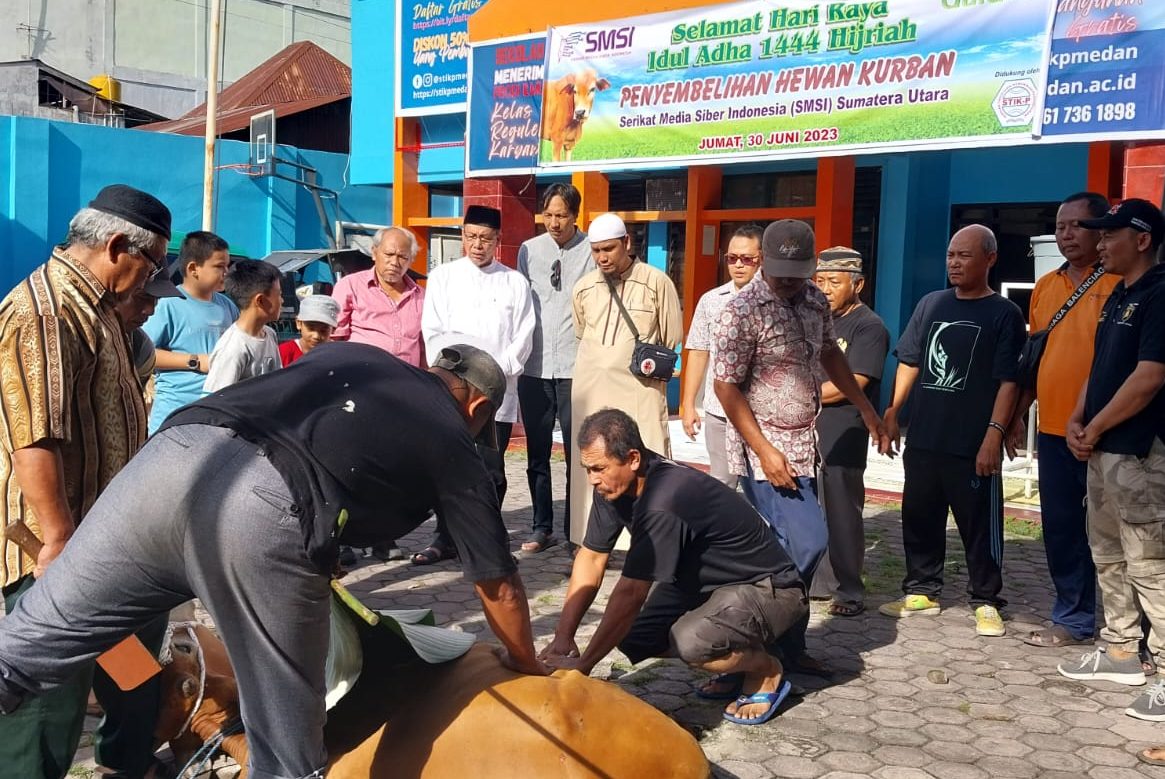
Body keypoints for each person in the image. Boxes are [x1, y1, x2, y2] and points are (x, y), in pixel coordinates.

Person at [0, 342, 549, 779]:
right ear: (477, 407)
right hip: (262, 508)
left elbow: (329, 433)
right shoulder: (453, 436)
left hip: (167, 460)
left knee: (20, 649)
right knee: (287, 754)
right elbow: (495, 581)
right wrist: (526, 661)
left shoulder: (350, 354)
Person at [0, 184, 175, 779]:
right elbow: (34, 436)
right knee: (49, 700)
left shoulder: (98, 309)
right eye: (151, 264)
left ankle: (125, 761)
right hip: (55, 550)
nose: (150, 281)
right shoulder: (43, 312)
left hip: (108, 540)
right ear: (119, 246)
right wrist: (57, 538)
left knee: (133, 658)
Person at [540, 409, 808, 726]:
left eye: (599, 468)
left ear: (634, 458)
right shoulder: (613, 485)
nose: (592, 479)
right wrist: (563, 637)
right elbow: (592, 557)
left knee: (691, 643)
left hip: (771, 588)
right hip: (707, 587)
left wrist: (583, 668)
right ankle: (734, 658)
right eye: (587, 469)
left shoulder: (664, 500)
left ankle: (765, 669)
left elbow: (630, 594)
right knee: (635, 638)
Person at [713, 220, 886, 674]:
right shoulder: (741, 311)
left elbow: (830, 353)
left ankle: (783, 647)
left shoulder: (813, 300)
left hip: (806, 442)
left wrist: (866, 408)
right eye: (780, 270)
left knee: (786, 550)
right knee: (808, 543)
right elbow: (726, 388)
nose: (788, 280)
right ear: (764, 263)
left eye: (797, 271)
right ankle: (747, 642)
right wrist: (766, 452)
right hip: (763, 450)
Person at [879, 225, 1027, 638]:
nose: (955, 263)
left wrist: (994, 434)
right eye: (950, 255)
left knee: (980, 526)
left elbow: (1008, 381)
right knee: (919, 516)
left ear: (990, 259)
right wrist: (894, 411)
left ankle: (986, 599)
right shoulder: (932, 304)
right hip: (925, 436)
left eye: (964, 255)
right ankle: (922, 589)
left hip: (972, 442)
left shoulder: (1004, 314)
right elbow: (910, 360)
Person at [1058, 199, 1165, 722]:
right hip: (1101, 450)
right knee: (1107, 551)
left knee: (1151, 561)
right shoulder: (1116, 296)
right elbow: (1099, 370)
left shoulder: (1159, 295)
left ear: (1142, 240)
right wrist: (1080, 421)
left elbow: (1149, 377)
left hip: (1141, 453)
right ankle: (1121, 649)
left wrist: (1096, 427)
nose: (1099, 244)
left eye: (1109, 236)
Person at [1010, 192, 1120, 649]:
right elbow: (1035, 357)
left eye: (1078, 226)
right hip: (1054, 430)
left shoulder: (1121, 284)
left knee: (1115, 536)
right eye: (1060, 226)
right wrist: (1017, 414)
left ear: (1102, 233)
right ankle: (1073, 619)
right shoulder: (1046, 286)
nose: (1067, 234)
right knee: (1061, 530)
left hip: (1108, 433)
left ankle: (1128, 631)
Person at [417, 205, 535, 564]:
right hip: (452, 392)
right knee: (447, 465)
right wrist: (453, 377)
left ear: (498, 240)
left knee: (491, 469)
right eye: (470, 237)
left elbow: (524, 336)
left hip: (497, 394)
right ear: (462, 236)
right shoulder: (444, 278)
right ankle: (444, 537)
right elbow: (432, 332)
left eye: (485, 238)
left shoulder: (515, 282)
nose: (477, 245)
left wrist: (496, 376)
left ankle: (485, 536)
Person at [569, 213, 682, 547]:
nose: (603, 257)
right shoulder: (584, 287)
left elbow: (671, 335)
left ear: (627, 244)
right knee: (592, 465)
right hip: (591, 390)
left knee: (644, 462)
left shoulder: (656, 282)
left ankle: (650, 542)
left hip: (639, 392)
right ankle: (590, 543)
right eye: (596, 251)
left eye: (609, 249)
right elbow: (580, 331)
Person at [807, 247, 890, 618]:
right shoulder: (812, 318)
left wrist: (798, 396)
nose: (824, 289)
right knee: (809, 507)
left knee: (841, 509)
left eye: (834, 282)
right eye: (820, 280)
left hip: (843, 430)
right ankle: (815, 581)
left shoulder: (869, 326)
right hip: (805, 427)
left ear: (857, 284)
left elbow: (851, 383)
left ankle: (849, 589)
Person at [517, 184, 595, 553]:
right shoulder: (529, 251)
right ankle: (540, 526)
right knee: (537, 451)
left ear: (575, 215)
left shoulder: (590, 252)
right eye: (548, 214)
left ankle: (574, 530)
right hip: (534, 367)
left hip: (575, 367)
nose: (554, 222)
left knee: (578, 453)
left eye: (561, 215)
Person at [681, 224, 764, 488]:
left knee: (764, 486)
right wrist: (688, 404)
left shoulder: (776, 300)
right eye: (732, 258)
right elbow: (698, 351)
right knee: (721, 484)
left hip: (761, 412)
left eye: (747, 259)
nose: (738, 264)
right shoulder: (711, 300)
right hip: (719, 411)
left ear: (762, 259)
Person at [142, 230, 237, 433]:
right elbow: (144, 353)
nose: (226, 272)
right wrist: (196, 361)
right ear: (194, 268)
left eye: (227, 266)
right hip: (174, 418)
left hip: (217, 418)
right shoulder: (167, 304)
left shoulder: (228, 306)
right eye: (219, 266)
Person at [331, 226, 426, 368]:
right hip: (362, 379)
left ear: (411, 260)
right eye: (389, 254)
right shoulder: (350, 286)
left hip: (407, 382)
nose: (394, 262)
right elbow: (334, 338)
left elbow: (425, 346)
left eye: (402, 257)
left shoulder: (422, 296)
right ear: (374, 253)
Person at [202, 259, 283, 393]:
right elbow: (214, 401)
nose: (282, 300)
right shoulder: (234, 347)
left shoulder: (269, 334)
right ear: (261, 300)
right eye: (279, 294)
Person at [280, 294, 340, 367]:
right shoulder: (283, 353)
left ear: (333, 329)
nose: (316, 336)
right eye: (311, 328)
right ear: (299, 323)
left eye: (323, 331)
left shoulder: (337, 354)